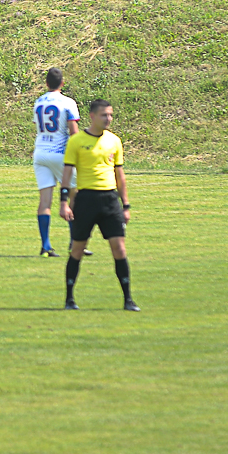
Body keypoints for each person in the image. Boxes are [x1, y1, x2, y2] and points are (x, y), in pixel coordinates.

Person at [59, 99, 137, 311]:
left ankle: (128, 300)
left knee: (119, 249)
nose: (108, 119)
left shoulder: (114, 141)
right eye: (104, 115)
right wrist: (64, 202)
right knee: (77, 250)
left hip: (110, 201)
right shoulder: (76, 141)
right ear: (92, 116)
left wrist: (126, 205)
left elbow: (120, 175)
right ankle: (69, 299)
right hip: (85, 201)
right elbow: (67, 175)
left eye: (110, 115)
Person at [32, 67, 80, 257]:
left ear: (46, 83)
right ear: (62, 83)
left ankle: (45, 246)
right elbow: (74, 132)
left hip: (40, 152)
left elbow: (38, 127)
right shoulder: (68, 102)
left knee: (45, 201)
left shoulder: (38, 102)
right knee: (75, 196)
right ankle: (74, 243)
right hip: (60, 153)